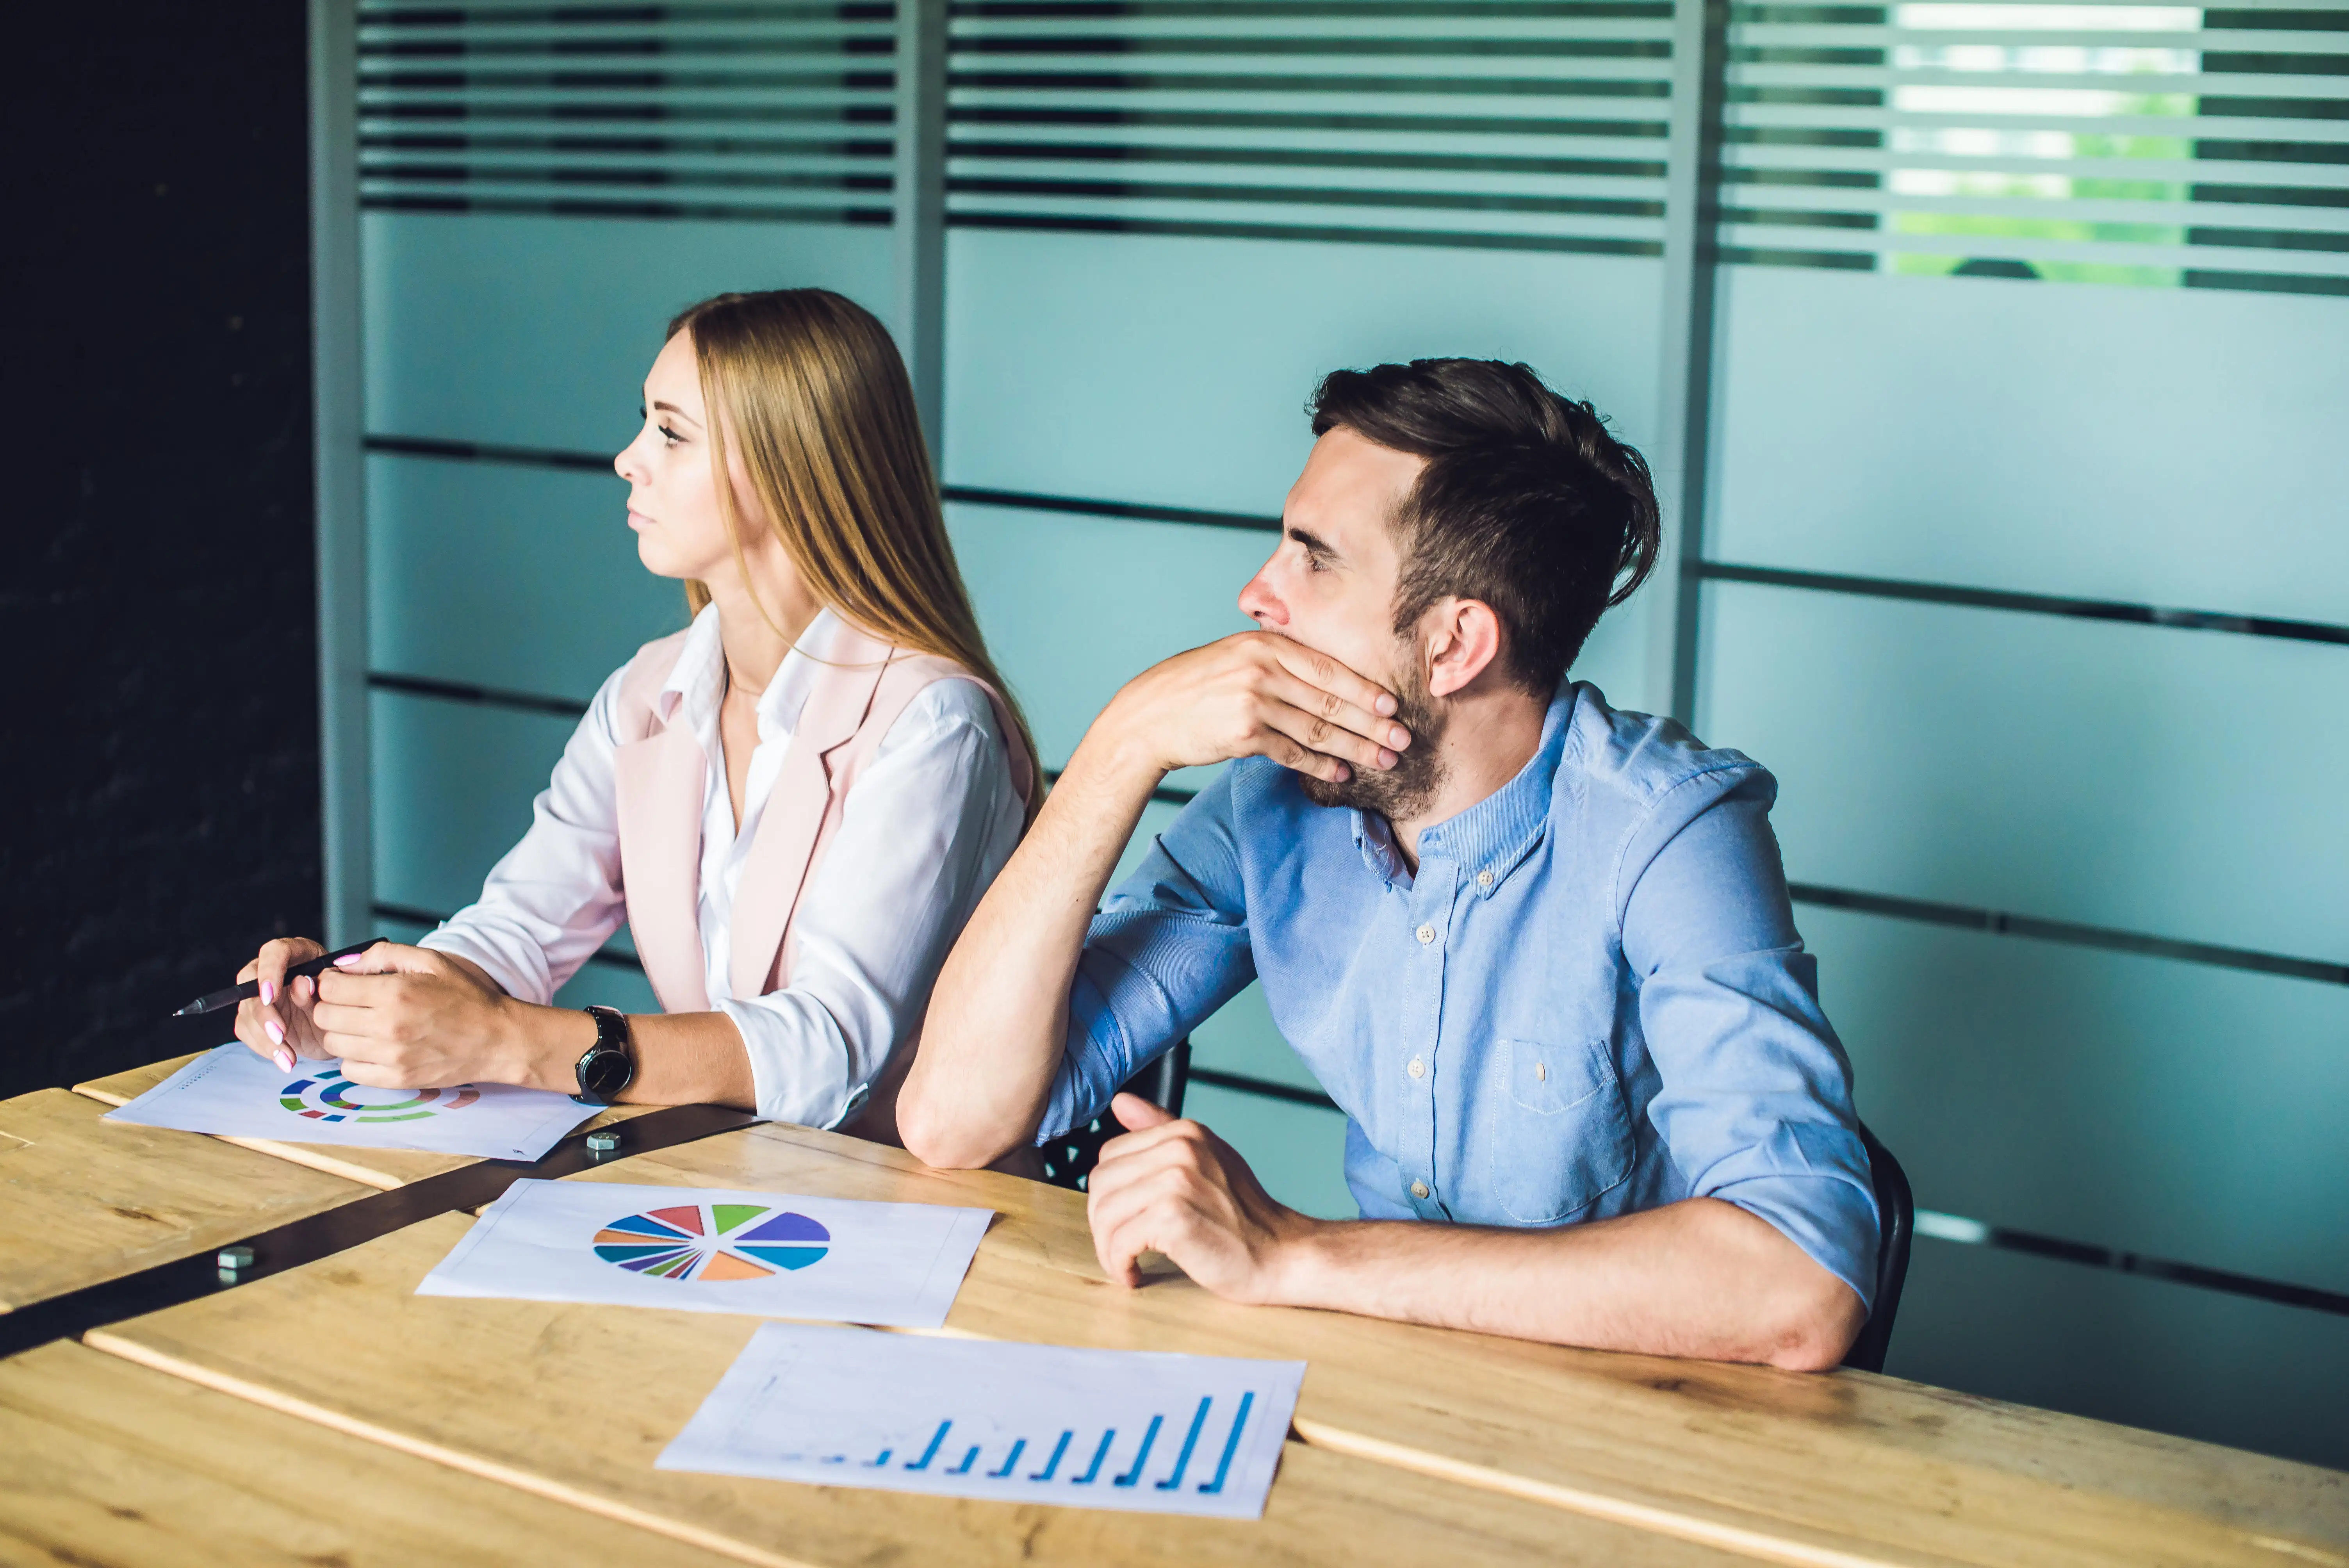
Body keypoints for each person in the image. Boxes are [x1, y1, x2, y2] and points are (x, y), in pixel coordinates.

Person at [898, 358, 1877, 1369]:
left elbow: (1799, 1282)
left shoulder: (1665, 827)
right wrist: (1121, 747)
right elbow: (951, 1120)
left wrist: (1302, 1257)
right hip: (1400, 1391)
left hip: (1651, 1420)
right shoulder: (1272, 802)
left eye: (1313, 558)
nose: (1256, 593)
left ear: (1454, 644)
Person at [235, 289, 1036, 1135]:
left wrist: (517, 1044)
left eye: (670, 431)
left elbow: (832, 1049)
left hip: (913, 1216)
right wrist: (350, 1008)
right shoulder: (650, 694)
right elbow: (521, 928)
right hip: (737, 1189)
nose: (628, 458)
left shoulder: (934, 723)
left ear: (789, 464)